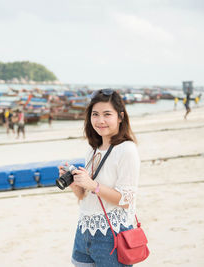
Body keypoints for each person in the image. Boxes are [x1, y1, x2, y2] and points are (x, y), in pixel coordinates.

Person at [59, 89, 140, 267]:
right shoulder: (92, 150)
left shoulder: (127, 150)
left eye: (107, 114)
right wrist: (75, 184)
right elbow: (84, 196)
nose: (100, 120)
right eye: (95, 114)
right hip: (84, 230)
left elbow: (126, 200)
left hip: (112, 235)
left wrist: (94, 185)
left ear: (120, 117)